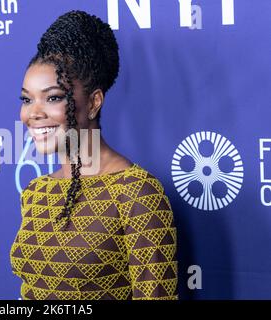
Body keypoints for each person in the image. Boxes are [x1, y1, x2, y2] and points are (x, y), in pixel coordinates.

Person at [10, 10, 178, 300]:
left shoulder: (137, 193)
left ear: (93, 102)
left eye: (53, 97)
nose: (33, 113)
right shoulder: (36, 192)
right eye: (26, 99)